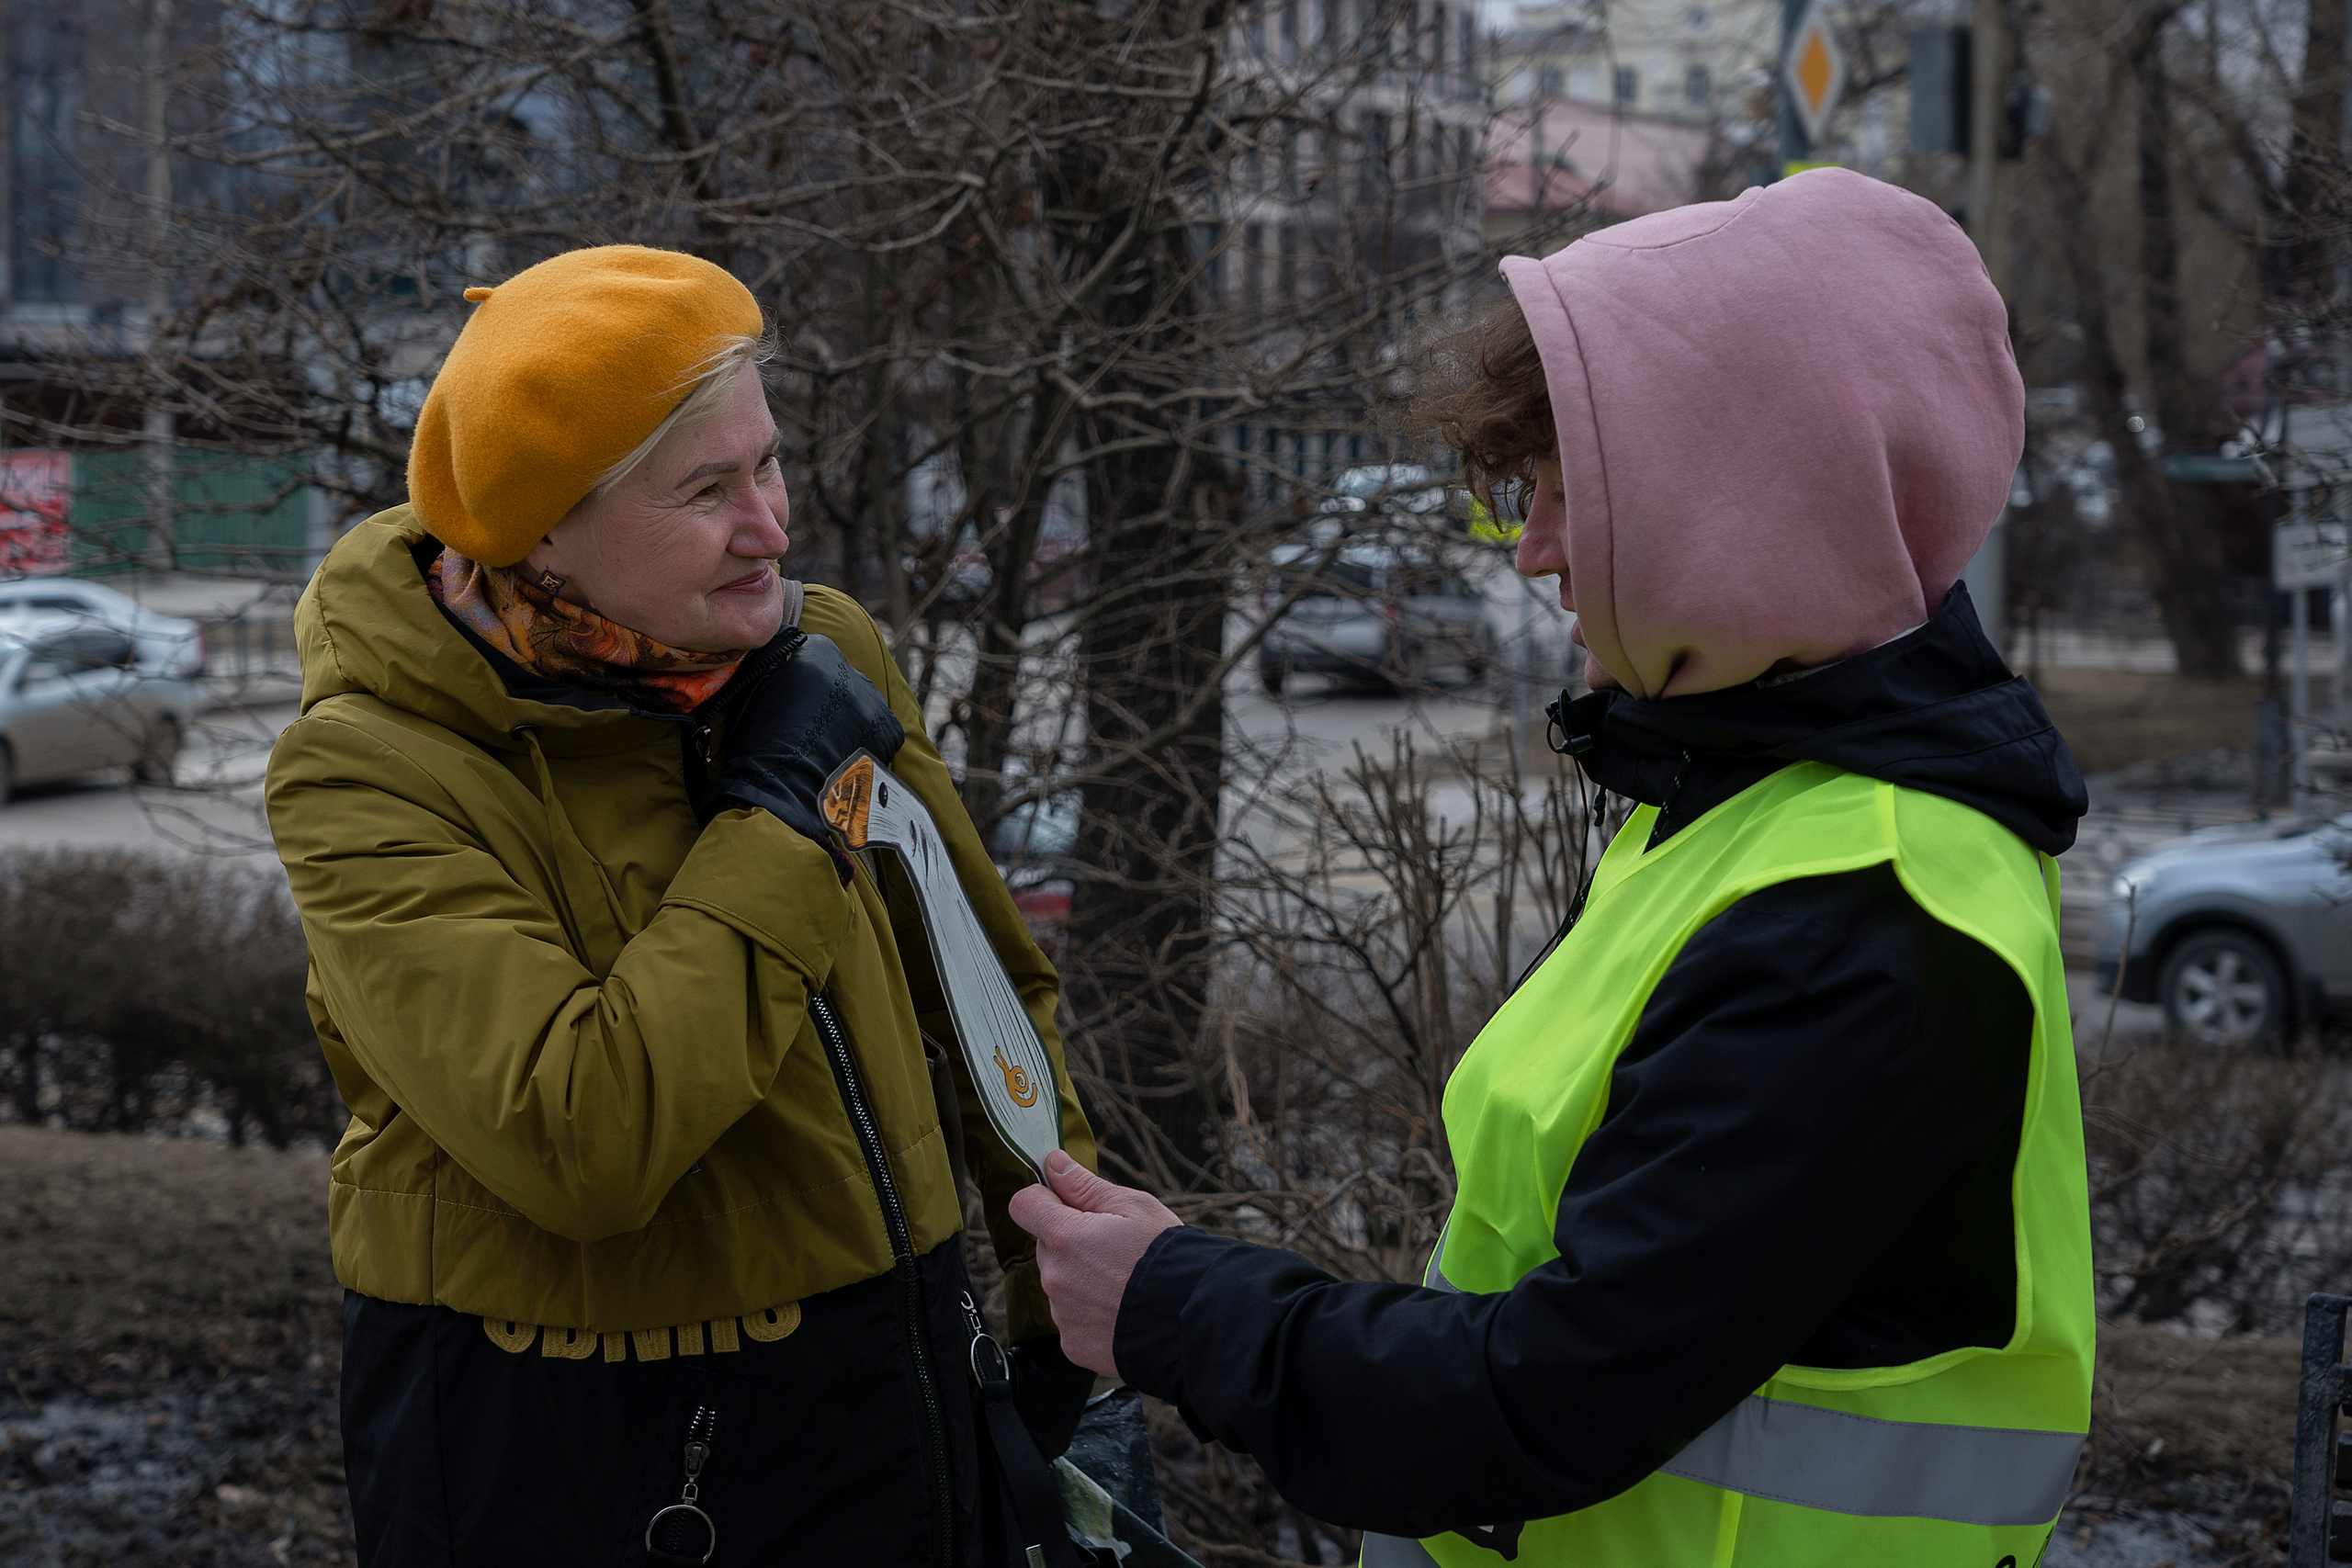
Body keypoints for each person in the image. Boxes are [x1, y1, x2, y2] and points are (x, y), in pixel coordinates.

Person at [1011, 167, 2094, 1567]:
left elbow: (1550, 1392)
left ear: (1742, 504)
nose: (1530, 552)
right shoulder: (1748, 805)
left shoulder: (1861, 910)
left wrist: (1172, 1306)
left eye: (1569, 492)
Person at [266, 244, 1099, 1567]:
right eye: (707, 490)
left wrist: (1062, 1300)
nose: (770, 525)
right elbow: (582, 1133)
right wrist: (778, 819)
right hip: (583, 1454)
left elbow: (985, 990)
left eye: (766, 464)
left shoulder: (822, 654)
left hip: (897, 1387)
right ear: (539, 530)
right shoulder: (373, 766)